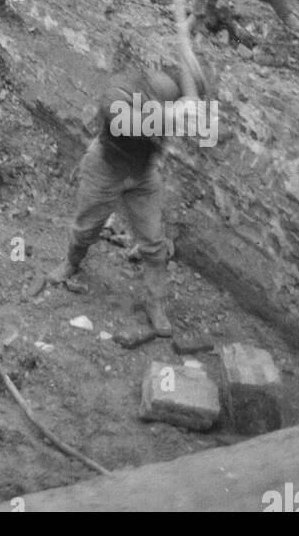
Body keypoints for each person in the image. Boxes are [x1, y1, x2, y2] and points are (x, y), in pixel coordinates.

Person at [46, 66, 200, 337]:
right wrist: (174, 112)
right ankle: (72, 261)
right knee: (86, 228)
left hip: (143, 175)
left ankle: (154, 303)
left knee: (154, 242)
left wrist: (199, 114)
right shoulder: (119, 90)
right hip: (105, 168)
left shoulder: (169, 102)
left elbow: (205, 130)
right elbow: (126, 123)